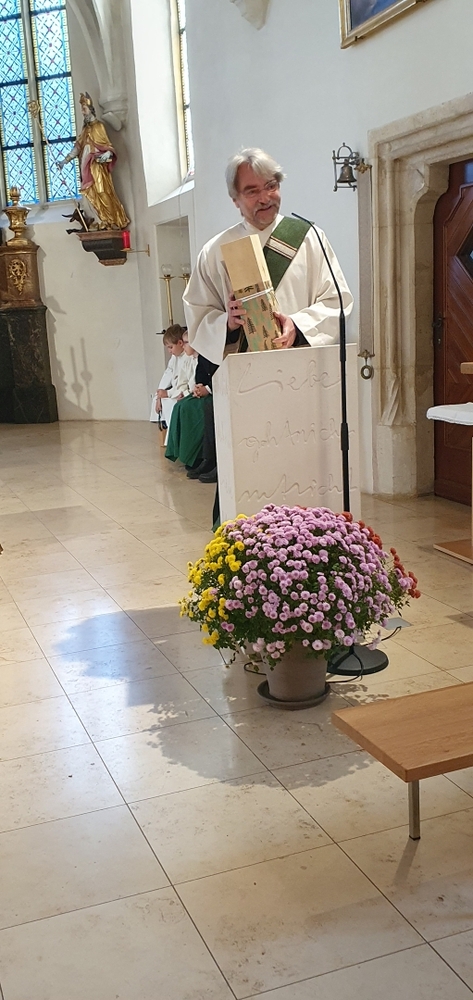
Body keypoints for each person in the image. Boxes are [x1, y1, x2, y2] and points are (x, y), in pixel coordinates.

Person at [183, 147, 353, 365]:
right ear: (235, 199)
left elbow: (337, 301)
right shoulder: (214, 251)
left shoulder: (310, 238)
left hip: (303, 369)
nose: (264, 198)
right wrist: (227, 323)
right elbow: (198, 316)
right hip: (244, 373)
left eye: (271, 186)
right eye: (252, 191)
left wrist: (297, 326)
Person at [58, 92, 129, 230]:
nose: (83, 112)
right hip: (86, 166)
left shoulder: (99, 126)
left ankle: (112, 219)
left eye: (84, 109)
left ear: (91, 109)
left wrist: (105, 155)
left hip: (97, 165)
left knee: (103, 192)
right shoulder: (85, 130)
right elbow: (77, 148)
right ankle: (103, 219)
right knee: (93, 194)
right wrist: (64, 161)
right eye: (82, 110)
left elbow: (108, 147)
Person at [165, 334, 217, 470]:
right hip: (195, 392)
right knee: (179, 406)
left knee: (187, 408)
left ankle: (196, 457)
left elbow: (212, 378)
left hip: (210, 393)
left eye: (187, 342)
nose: (184, 346)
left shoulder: (206, 357)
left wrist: (203, 388)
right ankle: (181, 453)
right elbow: (188, 380)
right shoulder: (189, 359)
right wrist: (194, 389)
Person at [155, 325, 197, 438]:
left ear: (180, 343)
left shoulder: (188, 357)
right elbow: (170, 376)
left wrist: (169, 393)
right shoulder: (175, 357)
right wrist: (160, 396)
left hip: (186, 393)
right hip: (178, 391)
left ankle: (175, 437)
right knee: (164, 400)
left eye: (171, 347)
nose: (169, 351)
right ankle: (172, 437)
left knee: (171, 403)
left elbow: (187, 383)